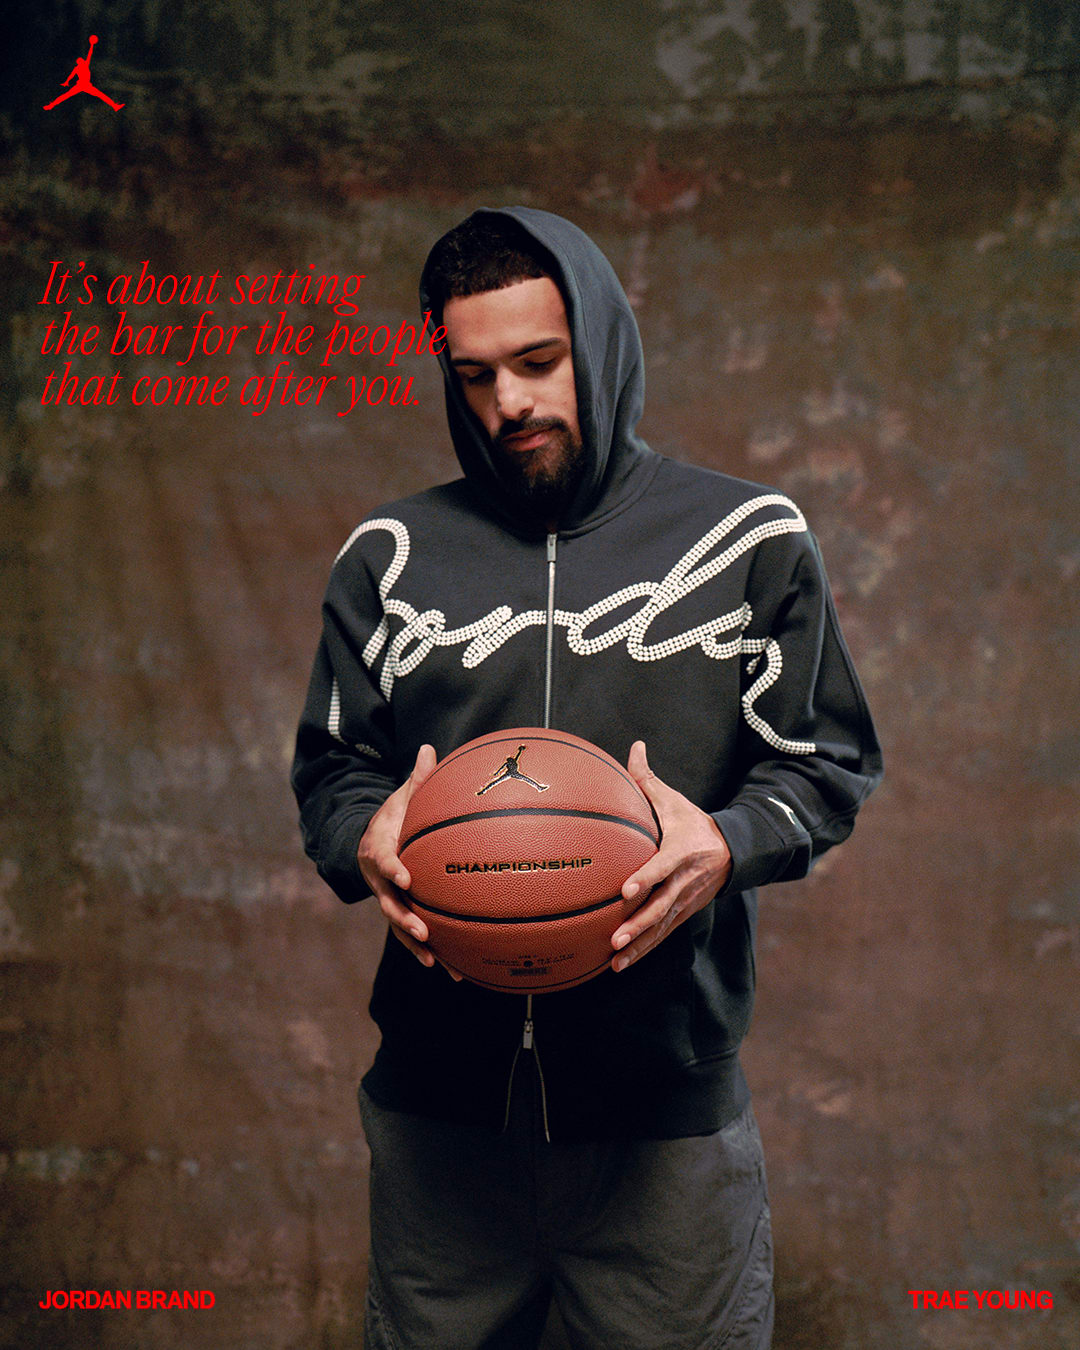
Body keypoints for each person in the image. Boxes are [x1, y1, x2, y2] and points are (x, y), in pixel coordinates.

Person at [292, 208, 882, 1350]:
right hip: (439, 1124)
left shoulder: (746, 538)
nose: (508, 402)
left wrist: (729, 840)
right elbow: (335, 770)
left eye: (538, 362)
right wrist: (363, 835)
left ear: (601, 341)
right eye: (474, 375)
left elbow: (826, 763)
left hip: (664, 1124)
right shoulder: (390, 555)